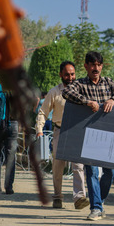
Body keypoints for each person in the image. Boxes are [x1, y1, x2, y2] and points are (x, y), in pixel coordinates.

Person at [62, 51, 114, 221]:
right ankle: (96, 208)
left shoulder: (109, 83)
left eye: (98, 65)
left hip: (109, 136)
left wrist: (113, 100)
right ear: (86, 66)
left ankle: (100, 201)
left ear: (102, 66)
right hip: (89, 136)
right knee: (90, 171)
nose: (95, 68)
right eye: (92, 65)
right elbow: (67, 92)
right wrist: (86, 102)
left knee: (110, 172)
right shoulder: (80, 84)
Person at [35, 61, 90, 209]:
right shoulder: (54, 92)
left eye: (72, 74)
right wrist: (39, 129)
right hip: (60, 130)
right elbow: (43, 112)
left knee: (78, 166)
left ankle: (79, 198)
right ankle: (57, 197)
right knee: (58, 166)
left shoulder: (82, 91)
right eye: (67, 74)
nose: (70, 77)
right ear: (61, 75)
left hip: (77, 131)